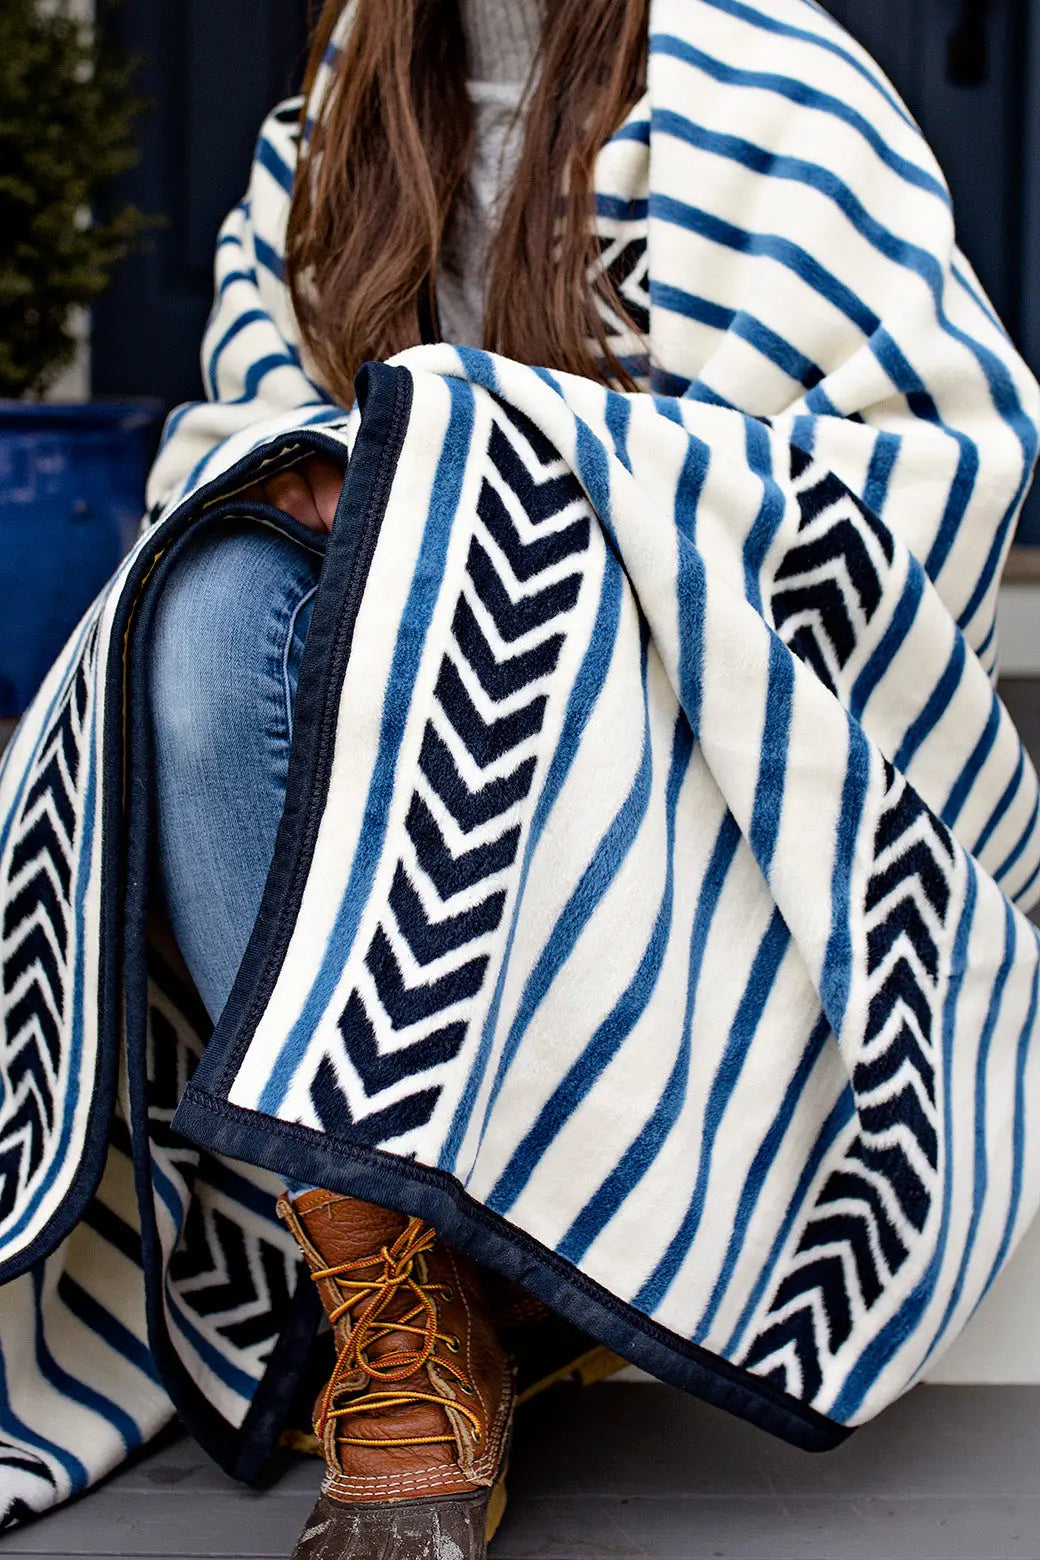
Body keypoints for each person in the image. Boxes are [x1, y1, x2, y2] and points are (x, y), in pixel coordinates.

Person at [1, 0, 1039, 1557]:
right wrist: (320, 479)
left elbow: (936, 461)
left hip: (667, 766)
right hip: (388, 767)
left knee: (438, 582)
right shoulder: (341, 104)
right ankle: (405, 1293)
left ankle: (527, 1224)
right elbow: (219, 424)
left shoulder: (778, 76)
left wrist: (481, 465)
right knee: (205, 611)